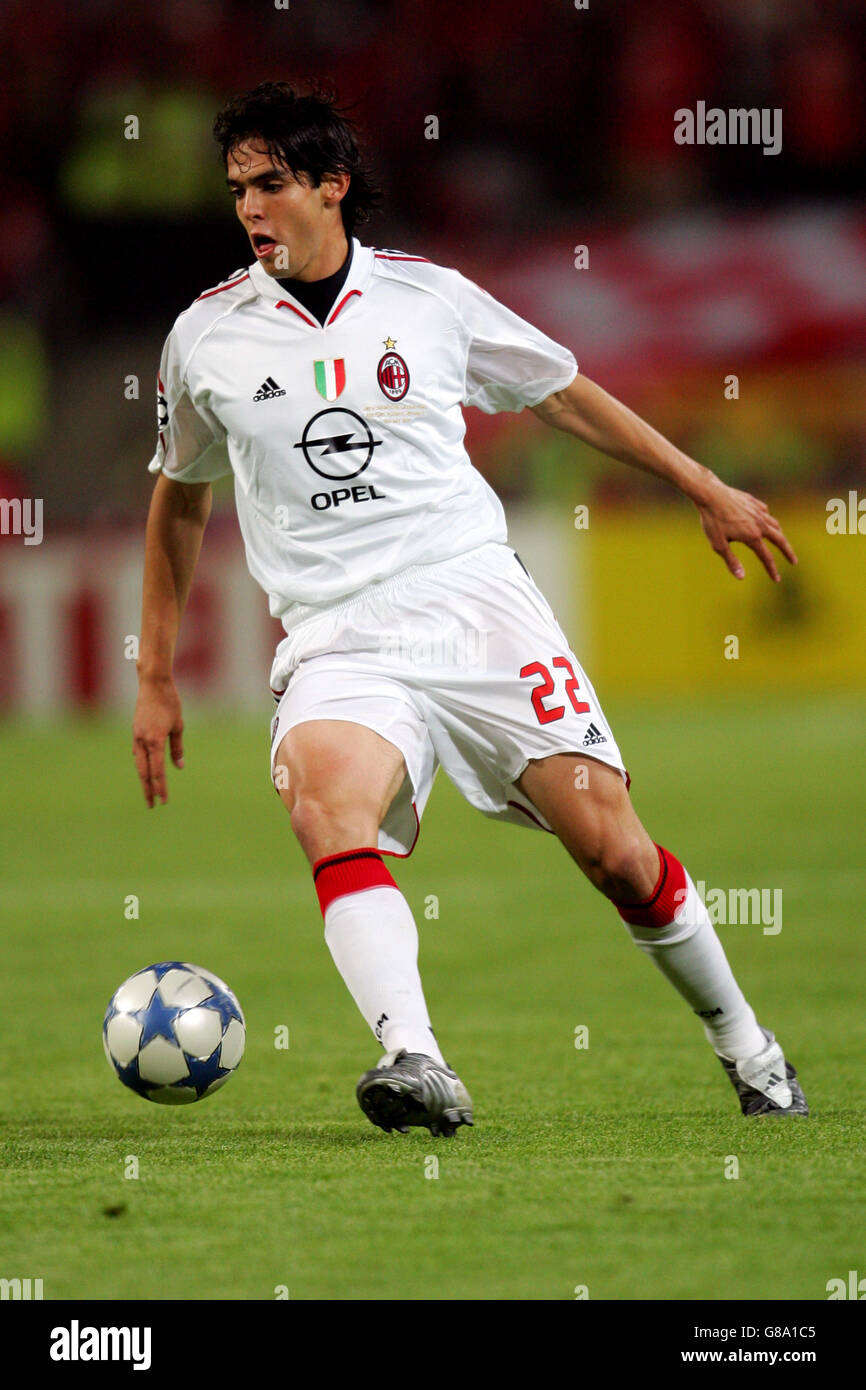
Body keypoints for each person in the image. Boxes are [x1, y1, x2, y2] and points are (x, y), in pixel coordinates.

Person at [133, 81, 807, 1137]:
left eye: (270, 184)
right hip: (336, 632)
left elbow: (558, 387)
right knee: (324, 807)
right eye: (236, 190)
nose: (250, 209)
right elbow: (179, 494)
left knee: (614, 850)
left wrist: (702, 484)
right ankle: (414, 1056)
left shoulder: (429, 299)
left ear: (330, 186)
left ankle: (749, 1050)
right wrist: (155, 673)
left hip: (472, 601)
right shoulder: (205, 337)